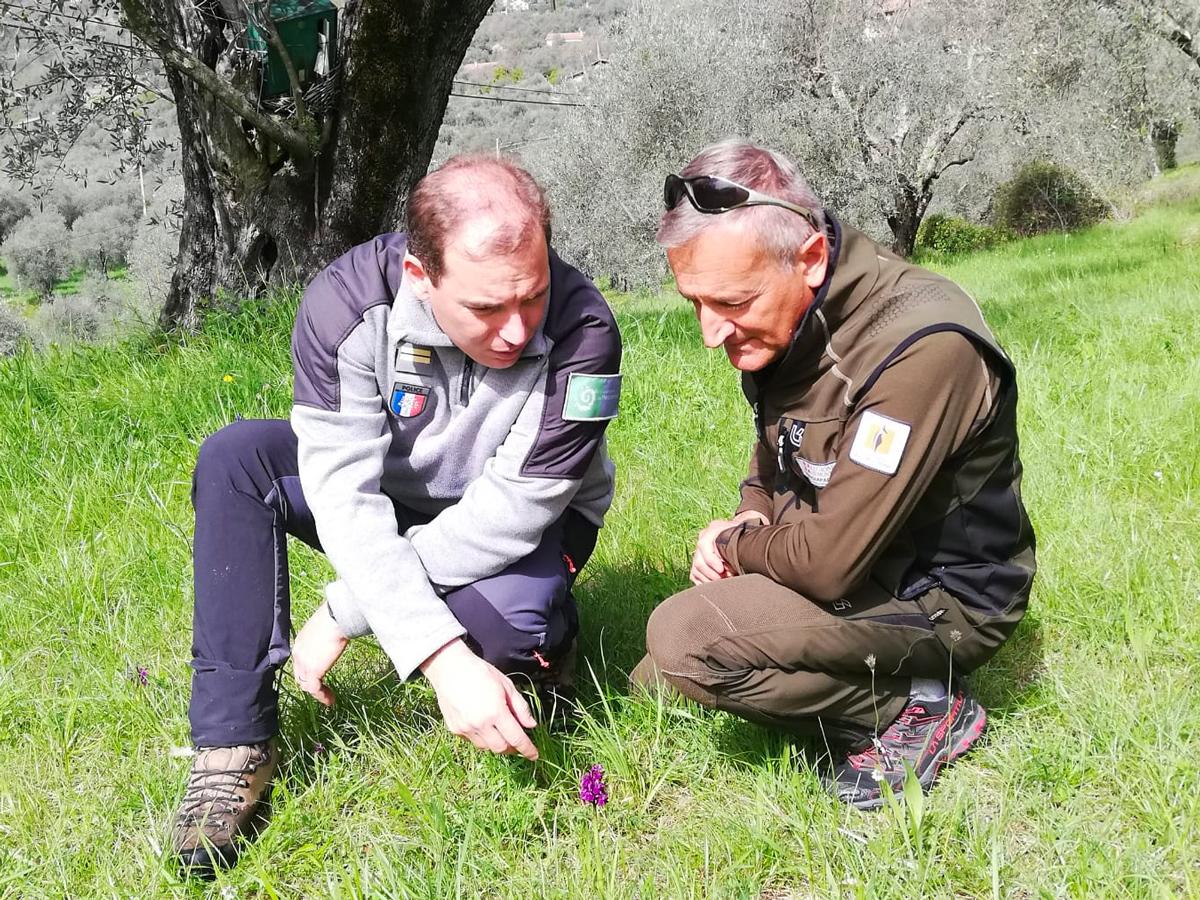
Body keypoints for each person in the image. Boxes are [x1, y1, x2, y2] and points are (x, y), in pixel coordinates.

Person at [171, 155, 622, 872]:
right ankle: (232, 745)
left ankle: (552, 645)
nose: (513, 331)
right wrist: (441, 662)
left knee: (506, 638)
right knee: (235, 457)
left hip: (525, 518)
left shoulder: (586, 331)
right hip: (391, 495)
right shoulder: (345, 305)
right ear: (421, 276)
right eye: (485, 308)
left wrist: (349, 609)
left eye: (530, 298)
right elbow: (343, 494)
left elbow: (514, 511)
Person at [631, 140, 1035, 810]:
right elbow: (774, 457)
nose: (709, 332)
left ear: (811, 259)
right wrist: (752, 514)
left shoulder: (922, 349)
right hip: (857, 561)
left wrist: (732, 546)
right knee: (652, 682)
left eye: (729, 302)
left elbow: (827, 567)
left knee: (685, 641)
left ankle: (911, 706)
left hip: (941, 601)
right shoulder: (789, 317)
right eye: (693, 302)